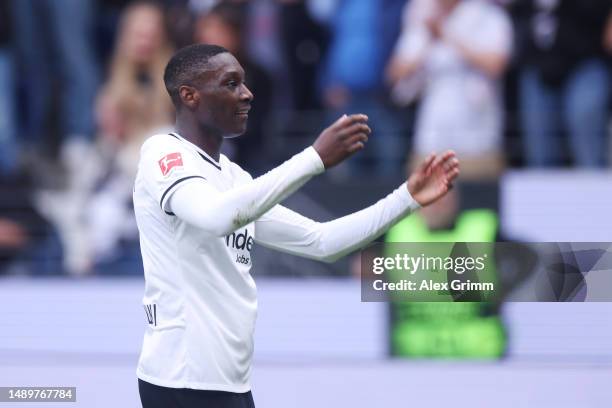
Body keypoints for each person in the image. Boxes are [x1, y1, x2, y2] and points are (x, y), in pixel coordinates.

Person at [133, 44, 459, 408]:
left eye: (244, 83)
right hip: (180, 381)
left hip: (231, 384)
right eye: (231, 84)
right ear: (189, 96)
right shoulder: (162, 153)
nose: (247, 94)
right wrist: (314, 158)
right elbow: (216, 217)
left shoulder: (234, 178)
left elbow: (322, 242)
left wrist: (407, 198)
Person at [387, 0, 512, 180]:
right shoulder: (424, 19)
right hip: (431, 137)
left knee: (476, 203)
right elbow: (394, 73)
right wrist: (429, 40)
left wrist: (448, 35)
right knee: (426, 202)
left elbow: (496, 64)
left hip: (477, 140)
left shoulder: (489, 16)